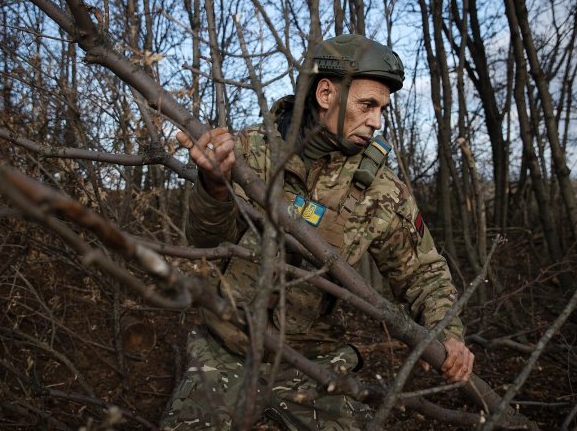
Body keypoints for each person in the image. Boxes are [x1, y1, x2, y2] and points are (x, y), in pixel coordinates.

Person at [160, 34, 474, 431]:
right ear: (326, 92)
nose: (376, 121)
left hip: (314, 359)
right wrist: (215, 186)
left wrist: (449, 334)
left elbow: (423, 273)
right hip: (227, 348)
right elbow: (205, 241)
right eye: (367, 105)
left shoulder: (381, 188)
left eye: (381, 109)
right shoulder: (248, 152)